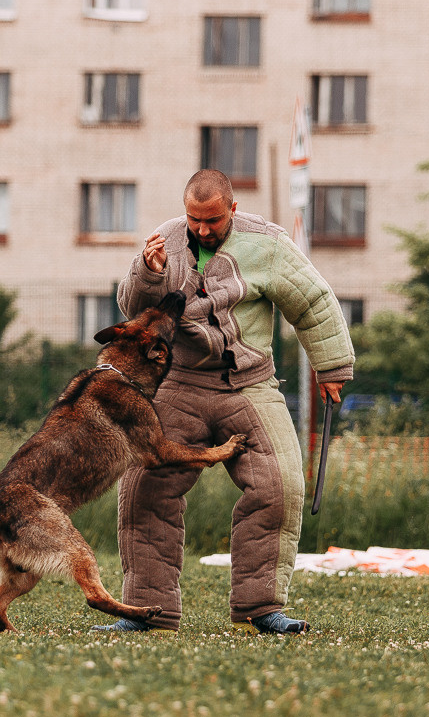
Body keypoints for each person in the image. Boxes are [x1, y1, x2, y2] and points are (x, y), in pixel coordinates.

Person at [93, 169, 354, 635]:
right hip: (178, 384)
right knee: (144, 489)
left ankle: (261, 610)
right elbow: (133, 309)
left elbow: (313, 302)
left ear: (232, 209)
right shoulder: (165, 241)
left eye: (212, 220)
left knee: (280, 486)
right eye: (194, 219)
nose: (202, 229)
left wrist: (331, 366)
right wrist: (148, 272)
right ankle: (147, 612)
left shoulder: (268, 244)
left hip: (249, 385)